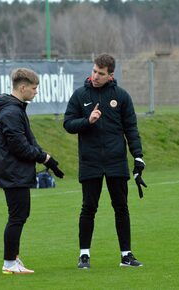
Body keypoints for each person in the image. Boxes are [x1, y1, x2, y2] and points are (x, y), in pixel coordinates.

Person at [63, 53, 147, 269]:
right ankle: (84, 256)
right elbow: (68, 124)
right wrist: (87, 121)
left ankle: (126, 255)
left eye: (101, 73)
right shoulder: (80, 95)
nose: (95, 76)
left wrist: (138, 157)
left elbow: (131, 129)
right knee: (88, 208)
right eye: (94, 71)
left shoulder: (121, 96)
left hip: (116, 161)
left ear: (111, 75)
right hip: (90, 161)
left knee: (121, 207)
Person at [0, 68, 64, 275]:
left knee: (20, 215)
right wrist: (44, 158)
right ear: (22, 87)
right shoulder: (11, 112)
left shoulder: (15, 108)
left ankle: (13, 258)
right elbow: (20, 147)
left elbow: (27, 141)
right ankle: (9, 263)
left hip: (15, 171)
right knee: (17, 216)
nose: (36, 92)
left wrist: (46, 157)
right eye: (34, 88)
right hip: (13, 172)